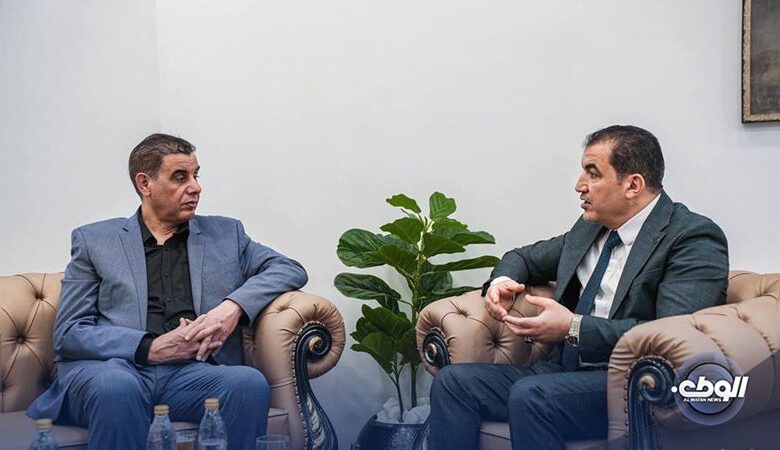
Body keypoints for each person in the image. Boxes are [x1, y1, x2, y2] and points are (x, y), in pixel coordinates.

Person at [427, 125, 729, 450]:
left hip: (630, 383)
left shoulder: (691, 237)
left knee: (532, 396)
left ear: (633, 185)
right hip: (560, 370)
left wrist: (573, 328)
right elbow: (522, 258)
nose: (579, 185)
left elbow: (670, 336)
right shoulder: (591, 228)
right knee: (453, 383)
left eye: (592, 173)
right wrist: (501, 284)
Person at [27, 134, 308, 449]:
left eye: (196, 175)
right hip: (116, 369)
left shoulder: (226, 234)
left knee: (248, 383)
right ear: (145, 184)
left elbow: (289, 268)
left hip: (192, 374)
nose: (195, 187)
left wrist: (231, 308)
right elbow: (69, 332)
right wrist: (148, 348)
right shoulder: (95, 241)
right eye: (180, 177)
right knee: (117, 387)